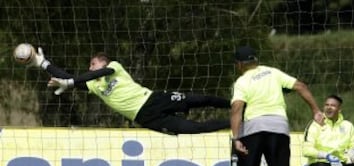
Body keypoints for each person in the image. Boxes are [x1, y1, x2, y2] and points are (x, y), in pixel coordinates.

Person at [28, 48, 230, 135]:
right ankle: (236, 122)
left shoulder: (114, 67)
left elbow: (80, 77)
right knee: (194, 129)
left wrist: (70, 82)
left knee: (201, 99)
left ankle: (233, 105)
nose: (90, 68)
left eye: (93, 63)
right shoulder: (94, 86)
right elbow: (65, 75)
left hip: (153, 100)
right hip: (145, 118)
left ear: (104, 62)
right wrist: (42, 63)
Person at [230, 45, 324, 166]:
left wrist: (236, 138)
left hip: (253, 129)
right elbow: (301, 86)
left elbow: (237, 108)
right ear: (255, 60)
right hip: (278, 128)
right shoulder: (273, 72)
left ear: (239, 64)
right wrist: (315, 110)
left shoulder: (241, 81)